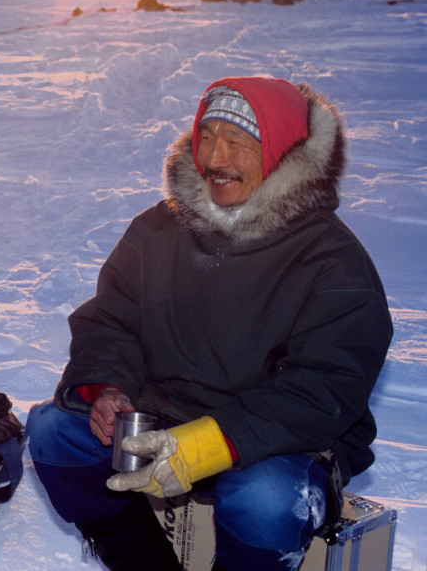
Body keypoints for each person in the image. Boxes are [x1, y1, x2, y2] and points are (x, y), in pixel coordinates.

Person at [26, 77, 391, 571]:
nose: (215, 159)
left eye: (237, 143)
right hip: (166, 418)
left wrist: (214, 441)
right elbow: (111, 322)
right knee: (53, 431)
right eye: (206, 137)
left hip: (275, 443)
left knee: (265, 498)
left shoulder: (333, 261)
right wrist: (107, 390)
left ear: (283, 153)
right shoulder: (158, 230)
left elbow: (324, 388)